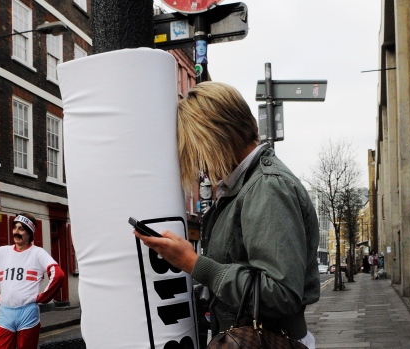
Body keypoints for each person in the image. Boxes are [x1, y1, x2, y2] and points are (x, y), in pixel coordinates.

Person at [134, 82, 320, 348]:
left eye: (197, 150)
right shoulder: (243, 186)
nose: (199, 165)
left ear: (216, 138)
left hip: (266, 342)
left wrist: (194, 263)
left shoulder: (267, 187)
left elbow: (280, 295)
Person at [0, 213, 65, 349]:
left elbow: (58, 275)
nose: (16, 231)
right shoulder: (2, 252)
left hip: (28, 312)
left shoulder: (38, 253)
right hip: (5, 313)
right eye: (14, 227)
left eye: (21, 228)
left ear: (30, 232)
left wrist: (43, 297)